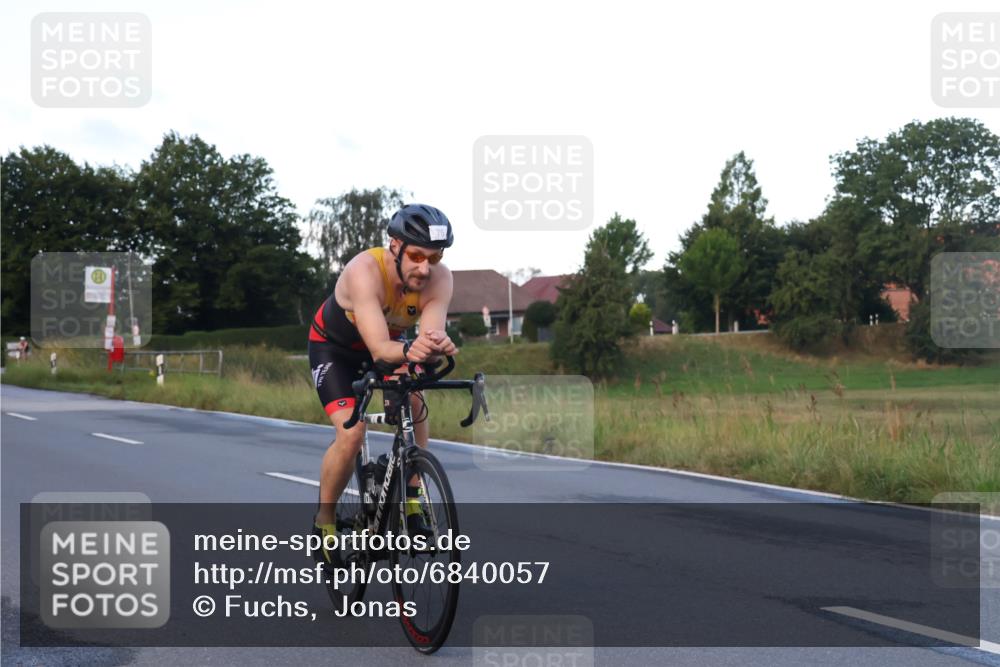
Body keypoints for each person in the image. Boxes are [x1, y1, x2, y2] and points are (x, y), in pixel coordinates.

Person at [307, 203, 458, 565]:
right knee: (352, 432)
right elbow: (380, 348)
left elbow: (427, 340)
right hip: (336, 350)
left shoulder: (440, 278)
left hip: (391, 348)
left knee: (416, 400)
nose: (425, 268)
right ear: (395, 246)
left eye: (434, 258)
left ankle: (412, 498)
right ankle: (324, 521)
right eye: (417, 256)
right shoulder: (364, 271)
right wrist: (414, 349)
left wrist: (437, 348)